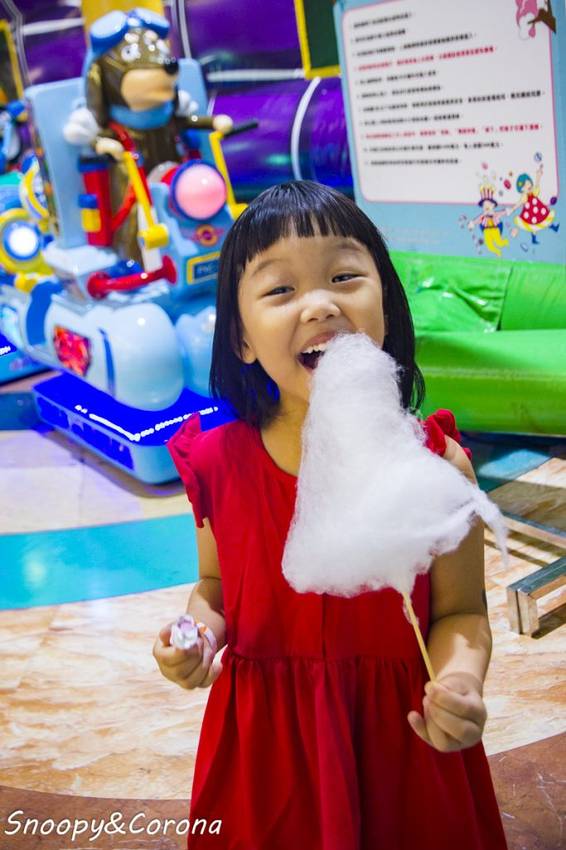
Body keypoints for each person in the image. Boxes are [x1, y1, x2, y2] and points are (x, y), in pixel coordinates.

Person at [153, 181, 508, 850]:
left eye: (344, 277)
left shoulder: (436, 465)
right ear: (242, 338)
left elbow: (461, 613)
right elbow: (216, 589)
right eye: (280, 289)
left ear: (386, 307)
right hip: (268, 753)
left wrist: (459, 681)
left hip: (405, 741)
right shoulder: (218, 465)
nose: (319, 304)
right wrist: (194, 637)